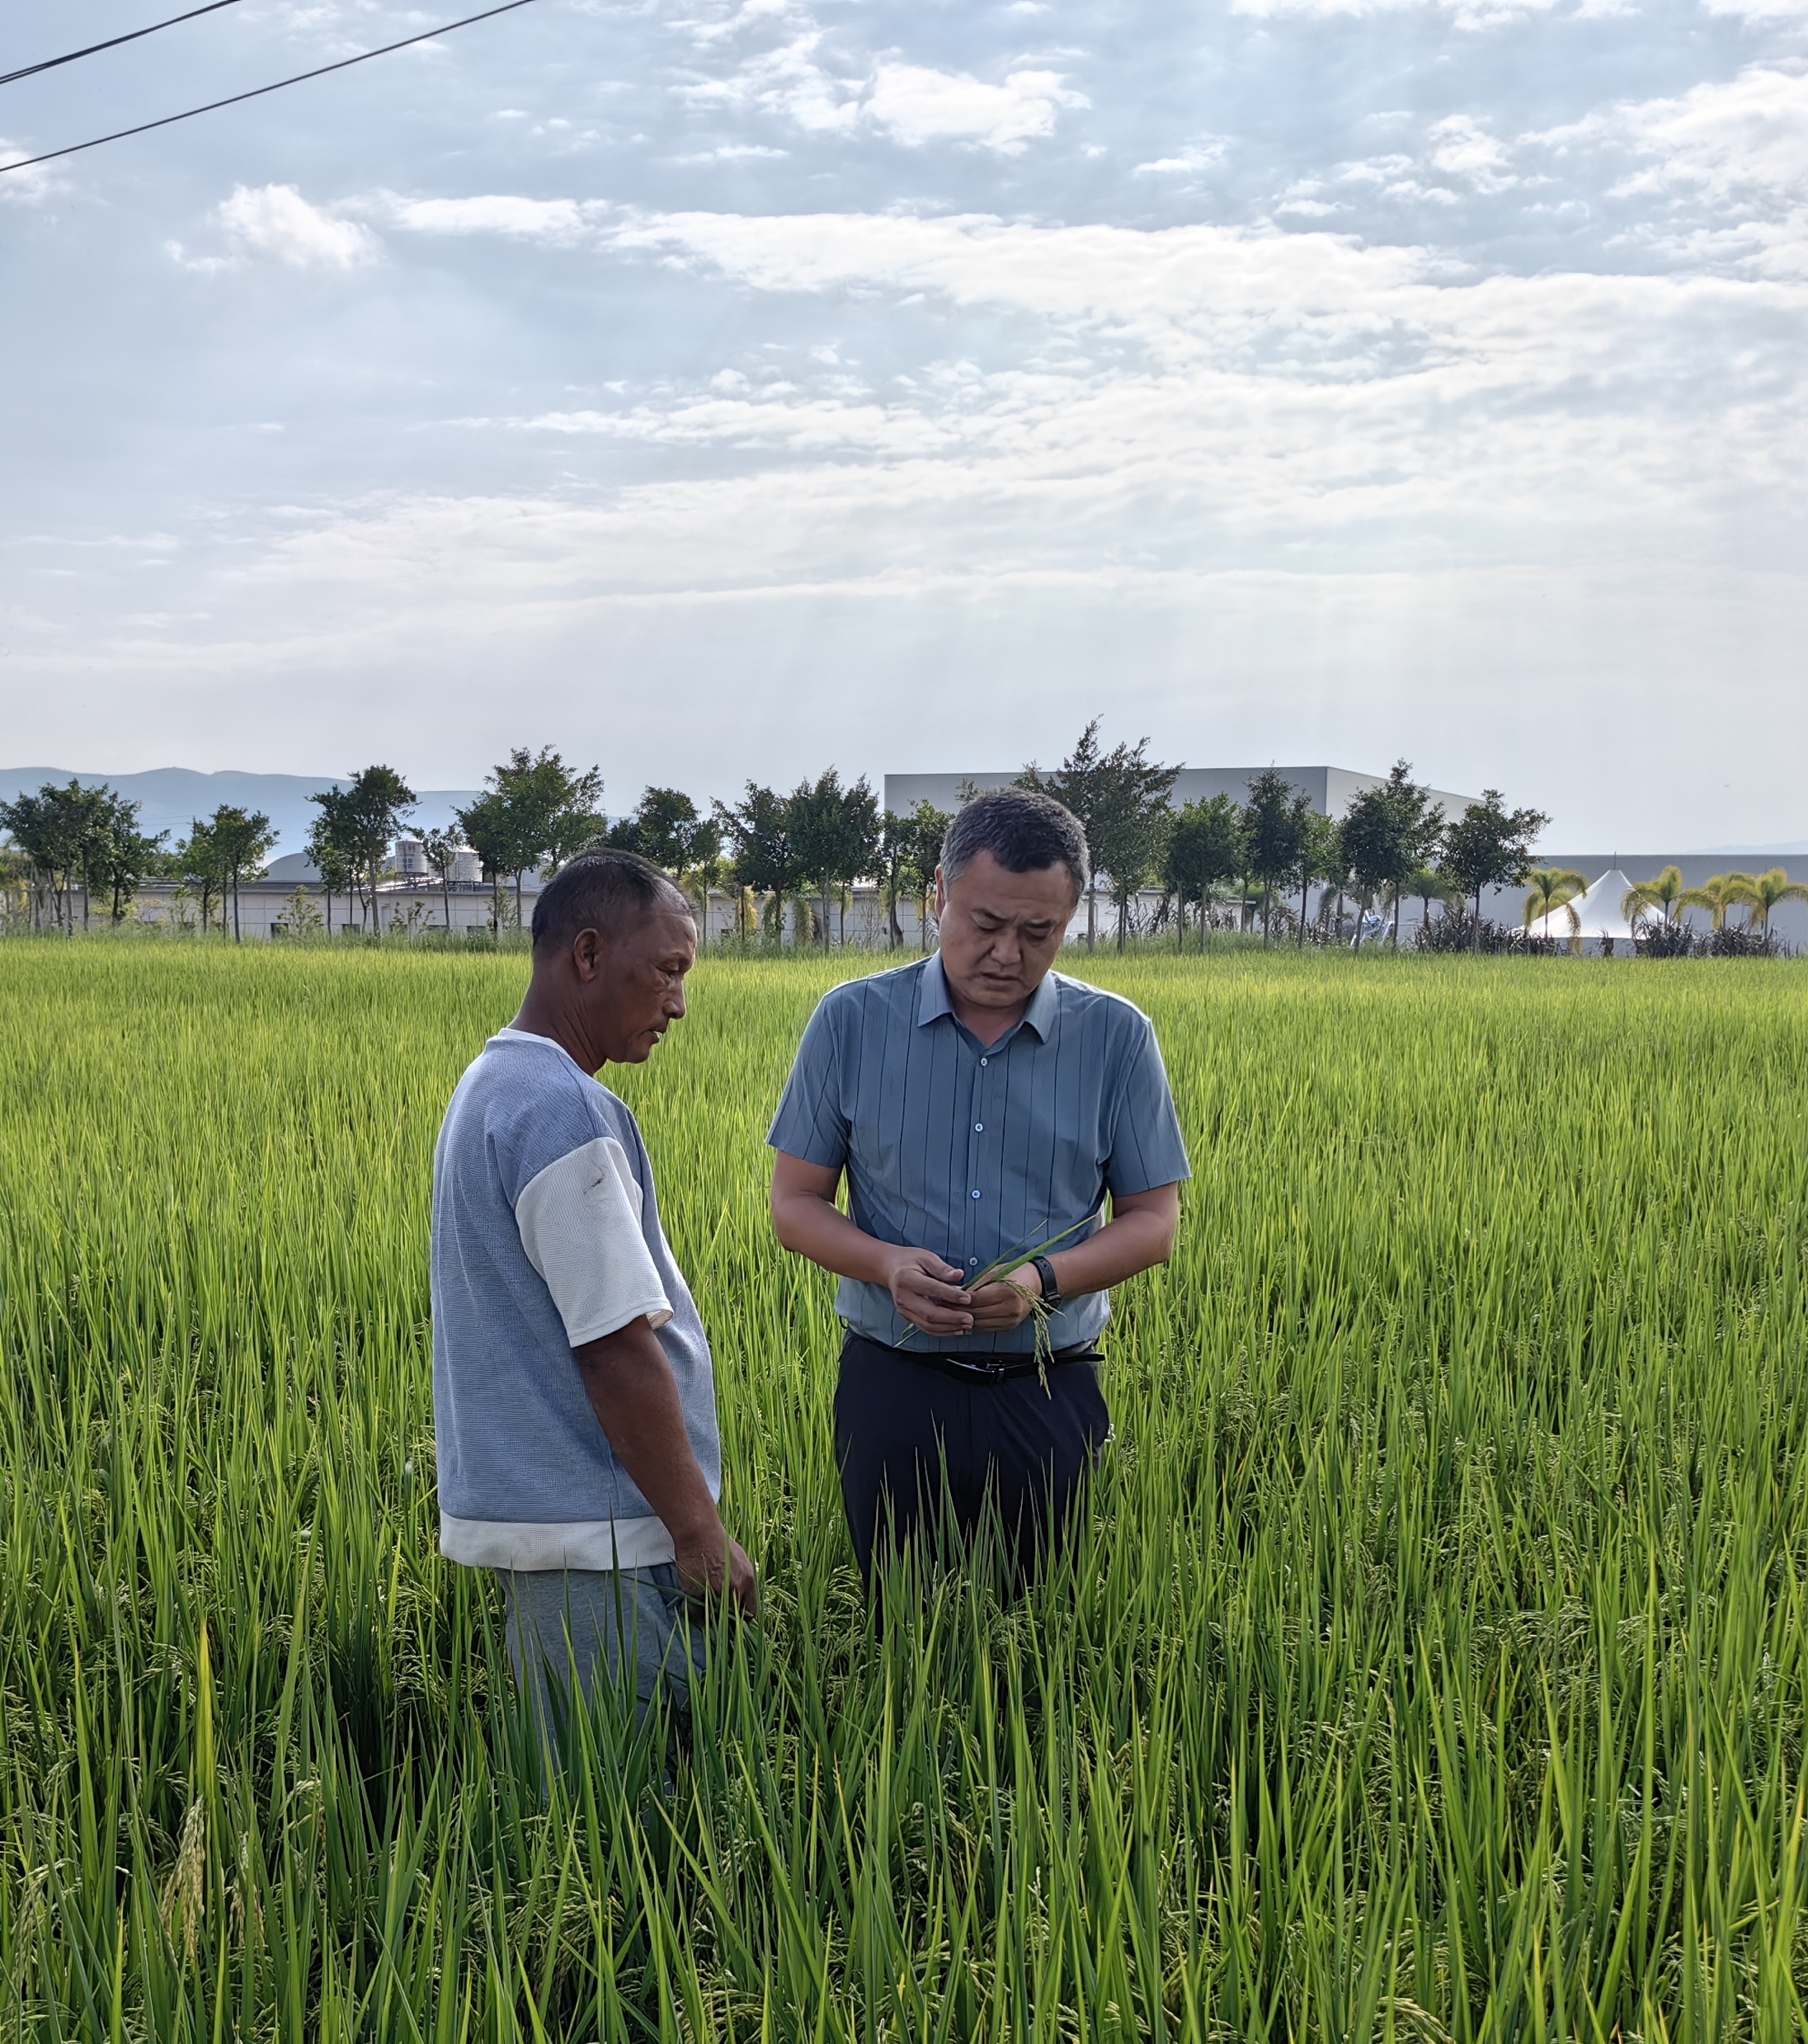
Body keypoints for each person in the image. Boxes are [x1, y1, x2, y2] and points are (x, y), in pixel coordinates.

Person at [768, 785, 1190, 1587]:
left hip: (1046, 1387)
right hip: (890, 1386)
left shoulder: (1116, 1038)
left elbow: (1152, 1221)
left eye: (1039, 933)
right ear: (938, 896)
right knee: (900, 1633)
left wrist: (1043, 1281)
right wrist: (885, 1266)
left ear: (1069, 919)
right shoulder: (851, 1022)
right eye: (985, 925)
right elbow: (794, 1206)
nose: (1007, 954)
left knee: (1039, 1629)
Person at [431, 849, 756, 1745]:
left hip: (562, 1526)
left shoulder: (493, 1082)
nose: (680, 1003)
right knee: (612, 1820)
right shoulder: (559, 1110)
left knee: (593, 1803)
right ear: (586, 955)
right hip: (598, 1534)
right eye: (669, 971)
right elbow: (613, 1344)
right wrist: (697, 1533)